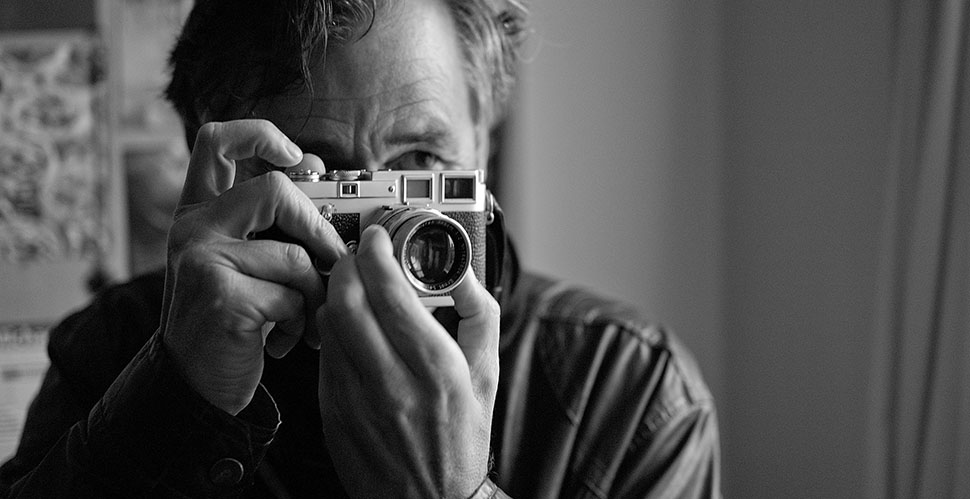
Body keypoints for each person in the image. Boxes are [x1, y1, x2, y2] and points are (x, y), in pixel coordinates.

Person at [0, 0, 721, 497]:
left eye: (418, 166)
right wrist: (179, 401)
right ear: (217, 168)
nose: (377, 237)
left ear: (483, 151)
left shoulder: (626, 389)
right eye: (317, 180)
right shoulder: (109, 353)